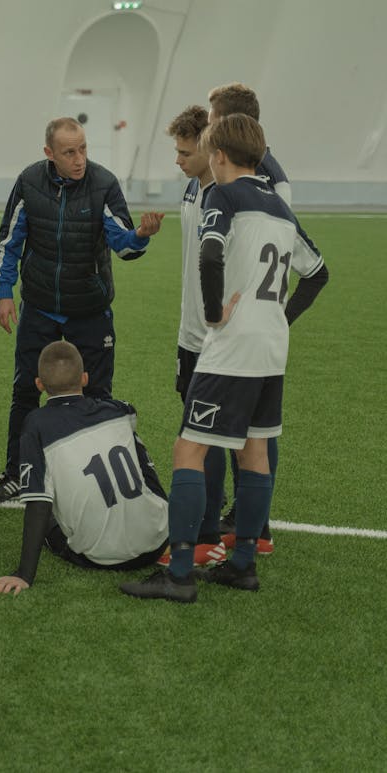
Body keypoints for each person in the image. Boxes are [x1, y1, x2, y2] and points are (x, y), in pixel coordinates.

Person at [121, 115, 329, 603]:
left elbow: (209, 255)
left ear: (217, 155)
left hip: (231, 350)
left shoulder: (224, 195)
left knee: (188, 450)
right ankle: (242, 566)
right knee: (254, 452)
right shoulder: (279, 206)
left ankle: (177, 574)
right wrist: (280, 315)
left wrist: (214, 314)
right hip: (271, 351)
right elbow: (317, 273)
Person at [0, 116, 163, 504]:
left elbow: (123, 244)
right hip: (41, 306)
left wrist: (141, 237)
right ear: (50, 154)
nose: (79, 158)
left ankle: (91, 481)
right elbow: (9, 239)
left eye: (83, 148)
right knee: (25, 391)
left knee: (97, 395)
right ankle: (18, 473)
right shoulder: (30, 182)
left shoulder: (104, 184)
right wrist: (4, 290)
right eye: (69, 152)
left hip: (90, 309)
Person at [0, 341, 168, 594]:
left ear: (39, 384)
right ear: (84, 378)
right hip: (159, 541)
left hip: (99, 556)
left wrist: (24, 574)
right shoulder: (120, 410)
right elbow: (149, 473)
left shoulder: (36, 424)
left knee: (48, 513)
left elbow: (38, 504)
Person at [207, 81, 291, 549]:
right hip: (248, 319)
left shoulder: (262, 177)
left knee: (252, 431)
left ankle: (250, 522)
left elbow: (279, 237)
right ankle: (246, 525)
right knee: (254, 429)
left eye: (212, 115)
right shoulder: (229, 170)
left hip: (243, 321)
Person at [160, 104, 226, 568]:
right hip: (189, 334)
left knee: (206, 435)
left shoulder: (226, 196)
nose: (179, 160)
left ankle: (207, 535)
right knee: (197, 428)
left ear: (208, 149)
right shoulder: (190, 189)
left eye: (185, 152)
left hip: (217, 338)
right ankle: (210, 528)